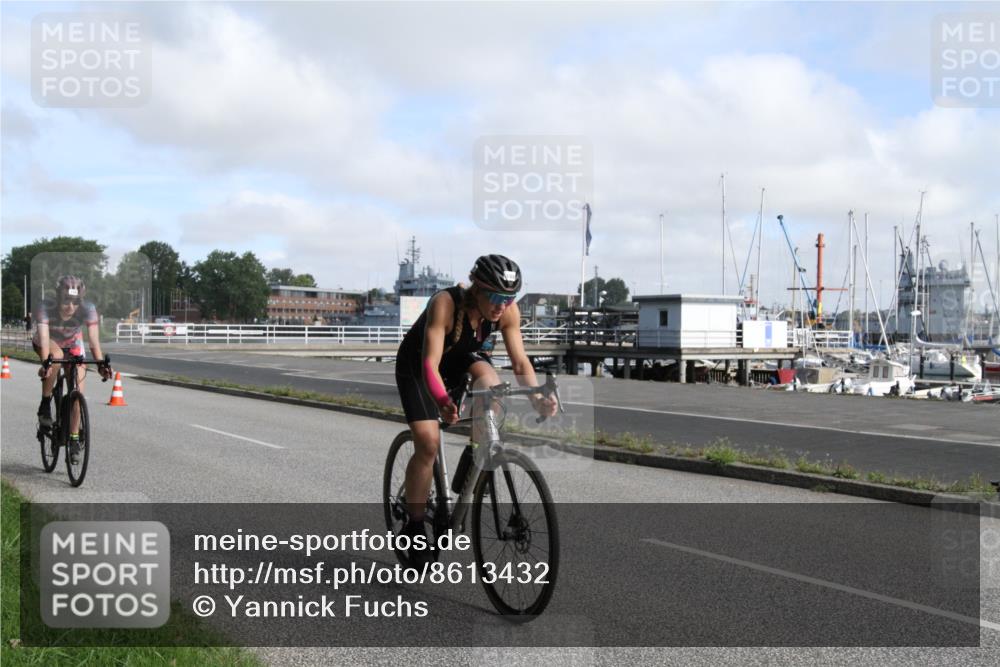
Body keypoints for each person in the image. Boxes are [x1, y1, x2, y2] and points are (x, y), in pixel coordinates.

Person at [394, 254, 557, 562]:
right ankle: (414, 526)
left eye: (509, 299)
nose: (501, 305)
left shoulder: (507, 312)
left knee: (492, 383)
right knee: (428, 444)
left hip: (461, 359)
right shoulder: (445, 303)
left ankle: (477, 451)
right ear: (477, 289)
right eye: (495, 297)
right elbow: (430, 363)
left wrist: (537, 398)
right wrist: (443, 401)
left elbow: (520, 362)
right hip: (419, 366)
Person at [33, 276, 112, 463]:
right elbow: (44, 340)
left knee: (78, 389)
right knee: (57, 357)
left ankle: (74, 438)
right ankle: (45, 405)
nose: (70, 306)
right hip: (48, 342)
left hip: (72, 343)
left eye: (75, 302)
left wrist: (101, 364)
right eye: (66, 300)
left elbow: (93, 342)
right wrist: (46, 364)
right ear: (58, 297)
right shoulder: (45, 307)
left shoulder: (89, 309)